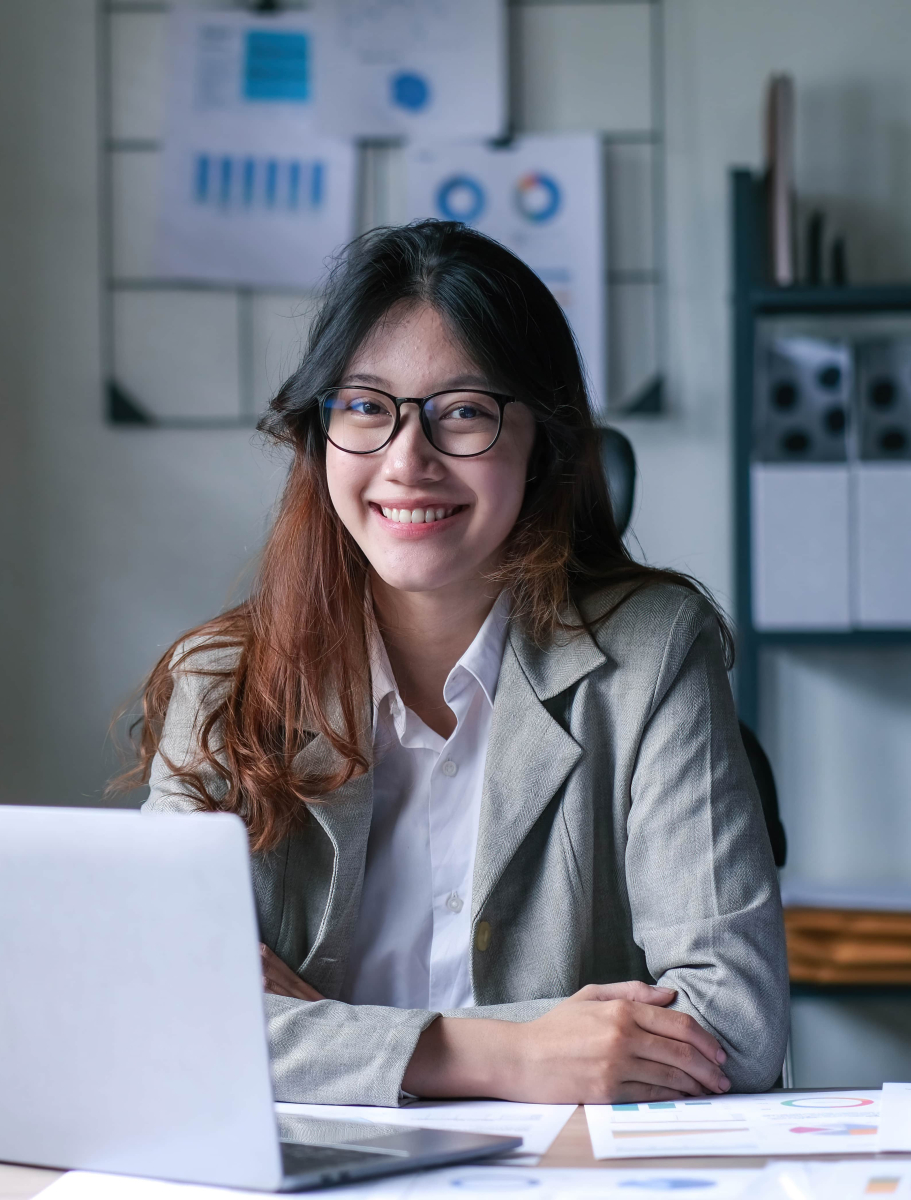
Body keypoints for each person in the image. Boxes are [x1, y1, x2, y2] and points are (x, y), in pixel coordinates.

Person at [117, 221, 788, 1108]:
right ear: (319, 440)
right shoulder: (223, 681)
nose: (406, 461)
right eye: (364, 407)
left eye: (463, 411)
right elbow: (157, 1014)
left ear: (541, 442)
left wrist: (321, 1032)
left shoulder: (653, 654)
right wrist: (500, 1056)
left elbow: (733, 1025)